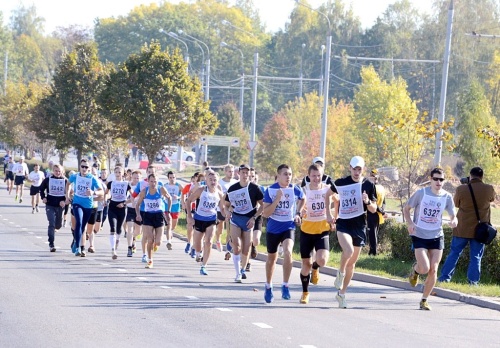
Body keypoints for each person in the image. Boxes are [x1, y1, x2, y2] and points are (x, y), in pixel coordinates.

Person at [403, 167, 457, 311]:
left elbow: (453, 214)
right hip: (419, 235)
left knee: (433, 270)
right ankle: (415, 270)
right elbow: (406, 208)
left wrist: (454, 221)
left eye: (441, 179)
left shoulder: (447, 196)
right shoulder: (421, 193)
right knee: (425, 268)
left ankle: (424, 300)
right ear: (430, 179)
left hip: (436, 236)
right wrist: (410, 223)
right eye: (436, 179)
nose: (439, 182)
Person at [330, 156, 377, 309]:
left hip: (359, 226)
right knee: (348, 250)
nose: (357, 172)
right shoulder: (341, 182)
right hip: (343, 223)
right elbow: (327, 196)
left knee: (353, 264)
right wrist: (329, 214)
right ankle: (340, 273)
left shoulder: (368, 184)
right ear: (349, 168)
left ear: (363, 169)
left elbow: (374, 209)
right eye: (354, 169)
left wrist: (367, 201)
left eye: (359, 169)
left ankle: (342, 294)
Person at [439, 167, 495, 285]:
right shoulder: (489, 189)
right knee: (476, 257)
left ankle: (444, 278)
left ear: (470, 175)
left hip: (462, 228)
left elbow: (456, 204)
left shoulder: (461, 189)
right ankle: (473, 283)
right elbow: (491, 199)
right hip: (480, 230)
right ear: (482, 176)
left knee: (454, 253)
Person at [262, 164, 305, 303]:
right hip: (273, 227)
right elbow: (266, 213)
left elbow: (303, 198)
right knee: (271, 259)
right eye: (285, 174)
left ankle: (285, 285)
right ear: (278, 176)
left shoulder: (294, 189)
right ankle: (268, 286)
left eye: (290, 174)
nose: (288, 177)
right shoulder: (270, 190)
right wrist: (277, 200)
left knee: (288, 252)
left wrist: (298, 213)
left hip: (289, 226)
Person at [298, 164, 335, 304]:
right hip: (306, 231)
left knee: (322, 260)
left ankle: (316, 267)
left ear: (322, 175)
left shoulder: (327, 189)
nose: (316, 178)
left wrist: (334, 218)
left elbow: (338, 202)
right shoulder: (303, 190)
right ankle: (305, 292)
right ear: (308, 176)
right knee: (305, 264)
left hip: (322, 229)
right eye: (313, 176)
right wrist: (300, 212)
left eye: (319, 175)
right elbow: (296, 206)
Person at [225, 164, 264, 282]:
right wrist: (227, 212)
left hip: (248, 221)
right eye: (243, 172)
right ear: (239, 174)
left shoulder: (254, 188)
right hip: (236, 219)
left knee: (246, 249)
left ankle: (242, 269)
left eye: (247, 173)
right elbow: (226, 204)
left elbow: (263, 205)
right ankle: (237, 273)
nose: (245, 175)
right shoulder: (233, 188)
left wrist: (254, 218)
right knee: (236, 246)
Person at [186, 170, 225, 275]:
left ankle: (204, 266)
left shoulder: (220, 194)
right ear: (206, 181)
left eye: (215, 180)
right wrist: (189, 216)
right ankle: (198, 253)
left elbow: (222, 208)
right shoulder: (201, 190)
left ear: (218, 181)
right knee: (198, 243)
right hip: (199, 219)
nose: (213, 182)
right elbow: (188, 201)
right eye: (210, 180)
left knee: (208, 242)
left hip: (211, 219)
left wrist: (227, 213)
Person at [67, 159, 104, 257]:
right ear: (79, 167)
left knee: (83, 227)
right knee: (78, 222)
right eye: (82, 166)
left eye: (86, 167)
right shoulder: (75, 176)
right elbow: (68, 183)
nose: (84, 168)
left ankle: (76, 241)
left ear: (89, 168)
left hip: (88, 205)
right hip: (77, 203)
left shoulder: (92, 178)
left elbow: (101, 191)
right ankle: (78, 247)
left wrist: (93, 192)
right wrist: (67, 195)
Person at [135, 173, 172, 268]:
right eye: (151, 181)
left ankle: (155, 246)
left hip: (159, 215)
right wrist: (138, 215)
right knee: (150, 239)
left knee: (158, 242)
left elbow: (169, 198)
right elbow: (137, 205)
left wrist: (168, 211)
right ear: (148, 181)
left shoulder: (161, 189)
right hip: (148, 216)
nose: (153, 183)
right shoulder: (144, 191)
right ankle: (150, 260)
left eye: (155, 181)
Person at [39, 164, 69, 252]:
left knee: (58, 225)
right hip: (50, 204)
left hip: (60, 205)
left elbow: (69, 193)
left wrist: (65, 200)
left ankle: (57, 226)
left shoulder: (65, 181)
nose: (57, 173)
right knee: (51, 223)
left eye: (59, 171)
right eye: (56, 171)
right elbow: (41, 189)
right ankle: (51, 244)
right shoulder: (48, 180)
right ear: (53, 171)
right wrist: (43, 197)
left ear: (62, 172)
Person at [106, 166, 133, 259]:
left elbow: (133, 197)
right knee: (112, 228)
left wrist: (124, 203)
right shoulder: (111, 183)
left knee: (118, 229)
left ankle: (117, 240)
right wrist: (106, 200)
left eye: (119, 172)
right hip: (112, 207)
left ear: (123, 174)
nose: (117, 174)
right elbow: (106, 193)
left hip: (122, 208)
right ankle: (113, 250)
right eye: (116, 172)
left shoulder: (126, 184)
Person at [216, 165, 237, 252]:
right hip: (220, 208)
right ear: (225, 172)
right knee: (220, 228)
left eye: (232, 171)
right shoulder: (220, 182)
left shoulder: (236, 182)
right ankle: (218, 240)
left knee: (229, 229)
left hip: (231, 209)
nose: (231, 173)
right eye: (229, 171)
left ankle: (228, 249)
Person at [366, 169, 387, 256]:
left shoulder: (372, 187)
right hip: (378, 213)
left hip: (372, 212)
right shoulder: (381, 187)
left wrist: (381, 211)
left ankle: (373, 252)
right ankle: (372, 251)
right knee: (374, 233)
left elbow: (373, 202)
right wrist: (382, 211)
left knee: (372, 233)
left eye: (372, 176)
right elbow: (384, 202)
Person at [181, 172, 200, 258]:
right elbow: (183, 194)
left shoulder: (204, 187)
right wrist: (183, 203)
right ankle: (189, 242)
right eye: (197, 177)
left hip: (199, 210)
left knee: (197, 229)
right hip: (190, 208)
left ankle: (194, 246)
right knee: (190, 225)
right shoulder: (189, 186)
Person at [164, 171, 184, 249]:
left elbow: (184, 194)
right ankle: (169, 241)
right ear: (168, 178)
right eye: (170, 178)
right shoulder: (165, 186)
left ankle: (170, 232)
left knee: (173, 225)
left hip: (175, 206)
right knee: (169, 224)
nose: (172, 179)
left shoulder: (179, 186)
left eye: (173, 177)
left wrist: (178, 197)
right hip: (167, 206)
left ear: (175, 178)